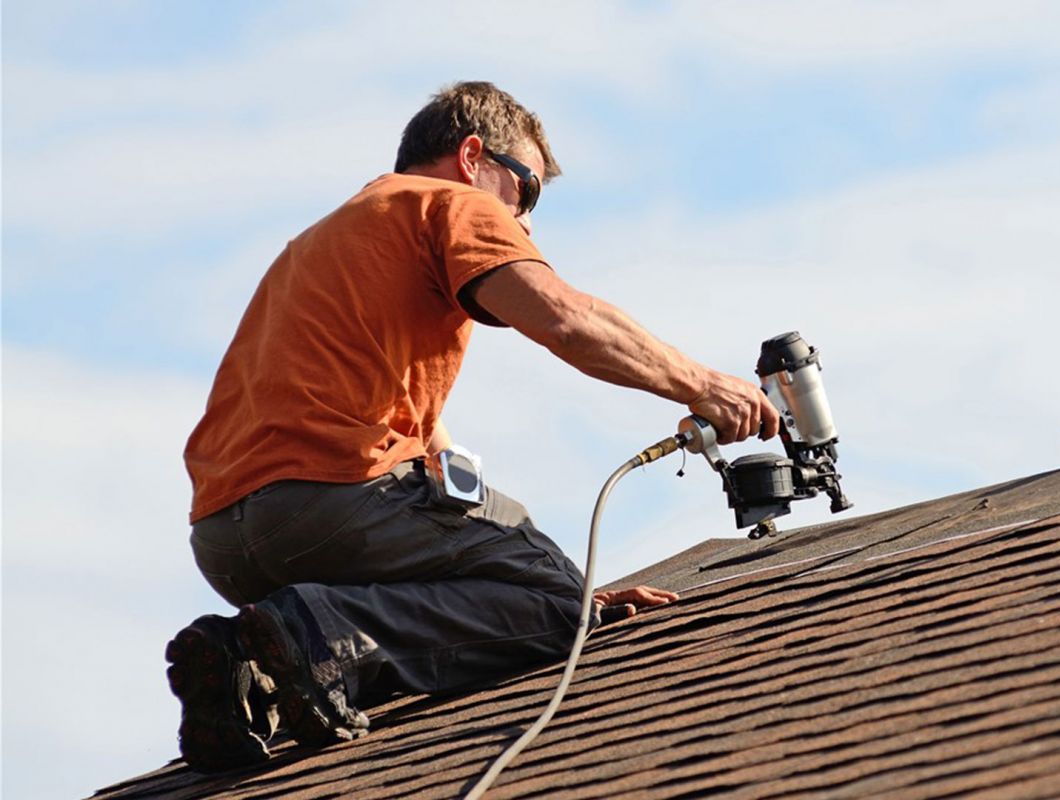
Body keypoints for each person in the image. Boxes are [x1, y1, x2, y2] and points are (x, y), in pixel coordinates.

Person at [166, 80, 779, 772]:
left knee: (532, 581)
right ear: (471, 156)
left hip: (224, 538)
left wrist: (541, 583)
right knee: (560, 611)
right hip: (330, 501)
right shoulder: (450, 204)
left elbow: (431, 464)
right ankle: (317, 633)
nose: (526, 221)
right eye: (526, 191)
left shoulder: (325, 240)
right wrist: (704, 386)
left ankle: (248, 674)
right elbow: (565, 319)